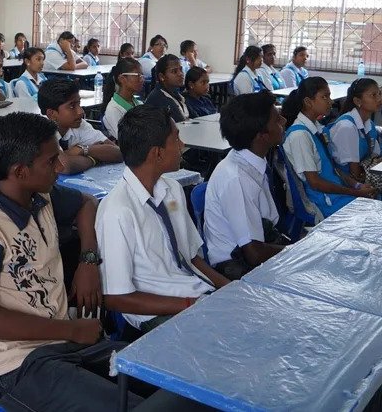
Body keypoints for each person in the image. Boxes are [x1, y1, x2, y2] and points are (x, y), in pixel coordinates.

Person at [0, 111, 142, 411]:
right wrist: (71, 330)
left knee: (167, 380)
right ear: (20, 171)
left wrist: (88, 260)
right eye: (52, 161)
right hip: (21, 364)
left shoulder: (42, 197)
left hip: (68, 342)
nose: (61, 166)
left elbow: (87, 203)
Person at [97, 105, 230, 332]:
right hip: (158, 312)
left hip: (195, 293)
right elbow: (116, 298)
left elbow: (191, 257)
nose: (182, 145)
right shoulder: (117, 211)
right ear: (157, 154)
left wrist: (230, 289)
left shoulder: (173, 189)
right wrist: (190, 305)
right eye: (176, 139)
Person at [204, 91, 288, 279]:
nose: (283, 121)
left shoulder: (251, 161)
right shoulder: (237, 178)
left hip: (262, 243)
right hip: (237, 266)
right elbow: (254, 254)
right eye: (277, 120)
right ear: (261, 136)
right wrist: (296, 250)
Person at [281, 76, 376, 219]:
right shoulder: (299, 135)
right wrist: (355, 193)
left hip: (337, 195)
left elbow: (334, 169)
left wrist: (357, 186)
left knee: (375, 200)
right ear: (308, 102)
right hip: (325, 202)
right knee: (374, 214)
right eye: (324, 97)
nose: (330, 101)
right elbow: (315, 183)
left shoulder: (317, 129)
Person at [38, 78, 122, 175]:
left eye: (79, 104)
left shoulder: (79, 124)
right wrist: (94, 159)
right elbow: (63, 166)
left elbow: (118, 153)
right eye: (72, 106)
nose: (81, 111)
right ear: (52, 114)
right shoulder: (42, 129)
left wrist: (83, 149)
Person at [328, 78, 382, 186]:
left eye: (379, 93)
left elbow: (375, 157)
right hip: (347, 184)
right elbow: (355, 174)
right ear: (358, 101)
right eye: (373, 95)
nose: (380, 98)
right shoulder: (347, 127)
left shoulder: (369, 124)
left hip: (366, 175)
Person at [102, 57, 143, 140]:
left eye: (142, 75)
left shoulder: (140, 104)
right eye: (138, 76)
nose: (142, 79)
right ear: (122, 79)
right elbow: (125, 140)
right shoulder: (114, 109)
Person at [145, 54, 189, 122]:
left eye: (181, 69)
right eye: (174, 71)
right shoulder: (158, 98)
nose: (180, 74)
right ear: (162, 76)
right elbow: (179, 122)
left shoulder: (175, 93)